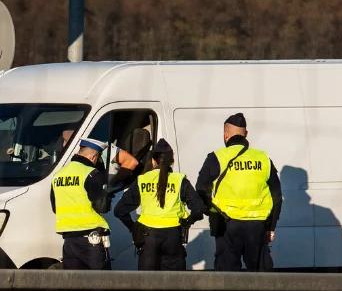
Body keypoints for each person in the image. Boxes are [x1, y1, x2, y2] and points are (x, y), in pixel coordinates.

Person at [195, 112, 282, 271]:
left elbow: (200, 190)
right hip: (257, 226)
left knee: (227, 276)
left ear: (225, 135)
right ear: (246, 134)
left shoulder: (216, 157)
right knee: (261, 275)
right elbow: (276, 195)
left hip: (226, 225)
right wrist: (271, 226)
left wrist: (213, 212)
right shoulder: (263, 158)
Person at [114, 139, 205, 271]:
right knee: (175, 283)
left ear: (153, 161)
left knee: (148, 284)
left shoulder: (142, 180)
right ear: (172, 162)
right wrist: (187, 222)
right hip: (173, 237)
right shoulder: (180, 181)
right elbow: (199, 208)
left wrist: (133, 228)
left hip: (148, 237)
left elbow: (119, 211)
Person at [50, 137, 112, 269]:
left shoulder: (58, 175)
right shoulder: (91, 174)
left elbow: (55, 207)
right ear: (93, 156)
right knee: (101, 284)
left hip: (69, 242)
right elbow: (102, 206)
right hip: (91, 241)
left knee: (74, 285)